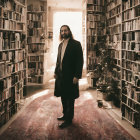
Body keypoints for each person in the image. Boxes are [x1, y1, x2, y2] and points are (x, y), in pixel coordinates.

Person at [54, 25, 84, 129]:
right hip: (61, 75)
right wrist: (55, 71)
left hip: (71, 76)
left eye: (65, 30)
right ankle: (64, 114)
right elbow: (58, 60)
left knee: (70, 98)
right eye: (61, 31)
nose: (63, 32)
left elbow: (80, 61)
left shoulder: (76, 44)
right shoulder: (60, 45)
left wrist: (77, 76)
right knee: (63, 96)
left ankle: (68, 119)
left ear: (69, 31)